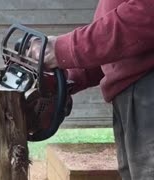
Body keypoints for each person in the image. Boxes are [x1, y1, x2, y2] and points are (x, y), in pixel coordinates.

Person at [27, 0, 154, 180]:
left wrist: (64, 48)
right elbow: (118, 45)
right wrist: (65, 78)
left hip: (147, 88)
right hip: (131, 93)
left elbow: (145, 14)